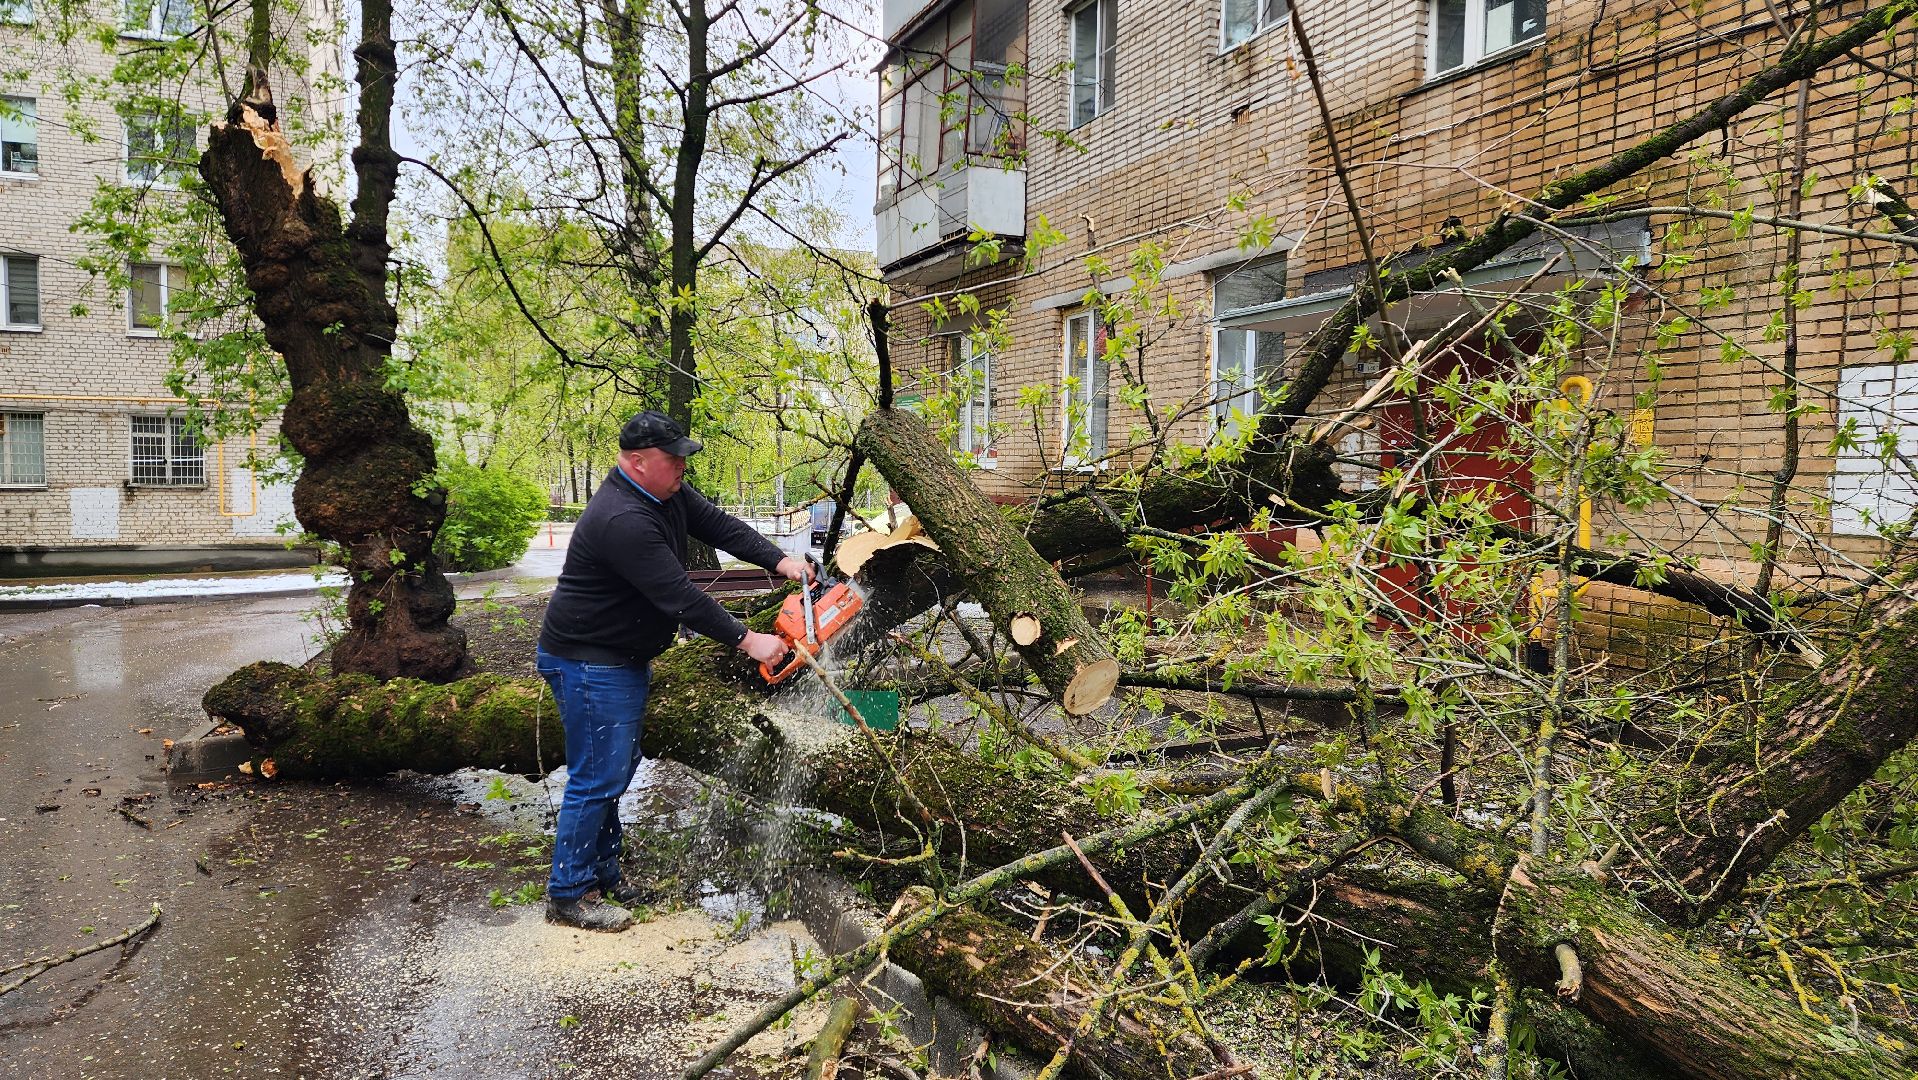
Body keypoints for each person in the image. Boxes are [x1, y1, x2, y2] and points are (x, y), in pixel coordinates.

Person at [535, 410, 808, 932]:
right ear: (637, 462)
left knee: (614, 765)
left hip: (617, 656)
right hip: (588, 660)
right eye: (673, 457)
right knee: (598, 775)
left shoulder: (666, 493)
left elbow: (720, 525)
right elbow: (678, 595)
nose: (683, 465)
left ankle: (603, 872)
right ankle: (568, 893)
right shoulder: (623, 519)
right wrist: (750, 641)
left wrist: (780, 561)